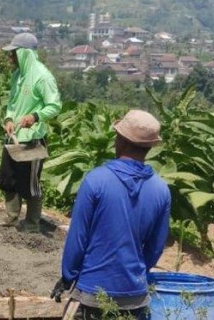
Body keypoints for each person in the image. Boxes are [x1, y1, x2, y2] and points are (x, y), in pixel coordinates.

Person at [50, 110, 171, 319]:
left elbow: (78, 238)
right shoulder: (161, 190)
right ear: (150, 147)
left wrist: (68, 276)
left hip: (93, 294)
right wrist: (135, 273)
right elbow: (155, 248)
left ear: (121, 140)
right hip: (135, 297)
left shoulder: (96, 181)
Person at [0, 32, 62, 233]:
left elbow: (54, 105)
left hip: (33, 139)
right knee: (8, 178)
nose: (10, 58)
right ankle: (12, 218)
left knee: (30, 184)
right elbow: (12, 103)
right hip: (15, 137)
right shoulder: (17, 76)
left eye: (13, 53)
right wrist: (9, 119)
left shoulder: (43, 77)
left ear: (24, 53)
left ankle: (32, 224)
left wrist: (34, 116)